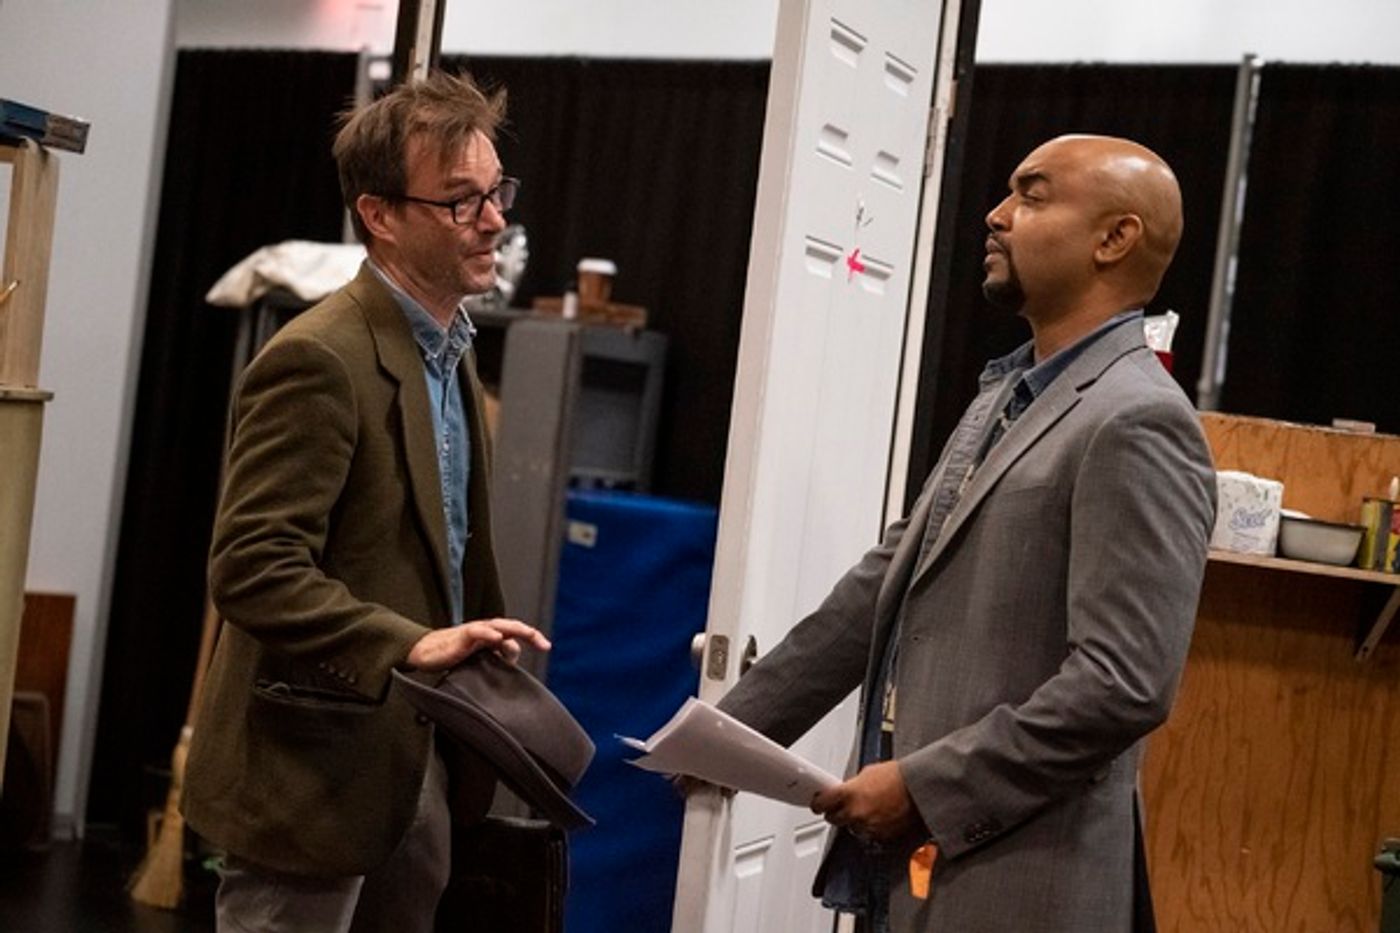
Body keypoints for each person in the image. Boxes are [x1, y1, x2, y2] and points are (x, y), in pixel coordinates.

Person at [714, 135, 1216, 932]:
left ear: (1113, 239)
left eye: (1034, 194)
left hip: (1024, 888)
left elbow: (1122, 684)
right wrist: (727, 734)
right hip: (921, 879)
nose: (997, 213)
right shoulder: (1006, 393)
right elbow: (887, 582)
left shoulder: (1140, 420)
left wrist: (922, 785)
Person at [182, 71, 550, 933]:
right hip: (306, 778)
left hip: (412, 762)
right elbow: (252, 569)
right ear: (380, 214)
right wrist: (413, 642)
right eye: (462, 201)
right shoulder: (317, 358)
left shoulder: (450, 351)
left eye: (497, 192)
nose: (494, 219)